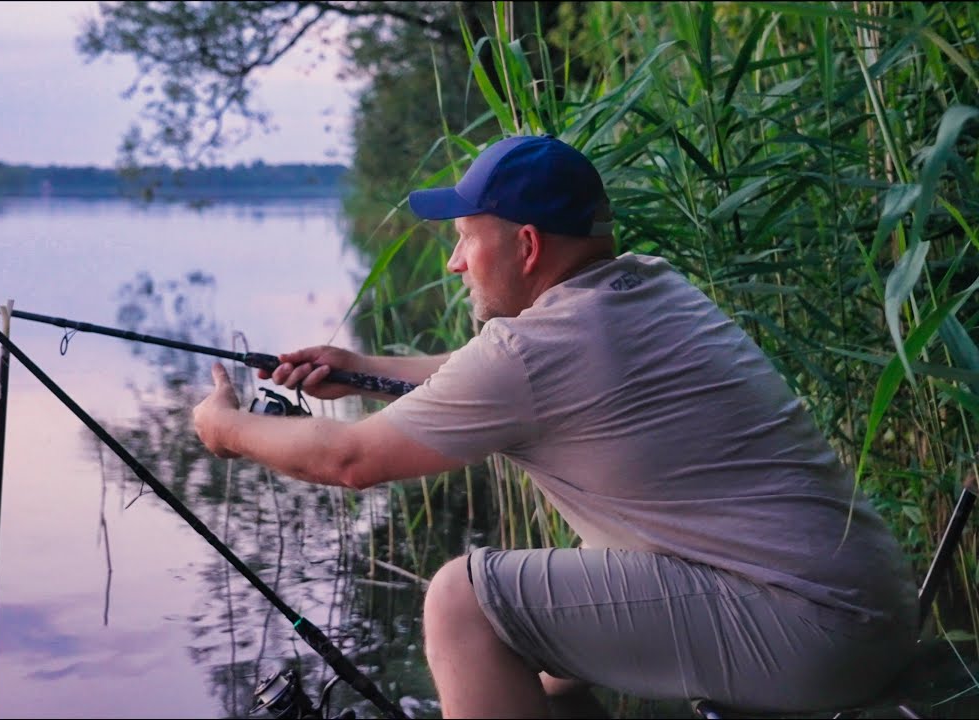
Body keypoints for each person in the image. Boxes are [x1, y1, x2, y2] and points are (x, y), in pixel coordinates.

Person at [192, 134, 918, 718]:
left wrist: (223, 429)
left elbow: (348, 459)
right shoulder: (645, 287)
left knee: (463, 600)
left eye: (465, 240)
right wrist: (360, 366)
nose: (452, 263)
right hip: (863, 608)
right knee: (552, 624)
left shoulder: (533, 352)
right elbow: (494, 374)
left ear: (528, 247)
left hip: (815, 636)